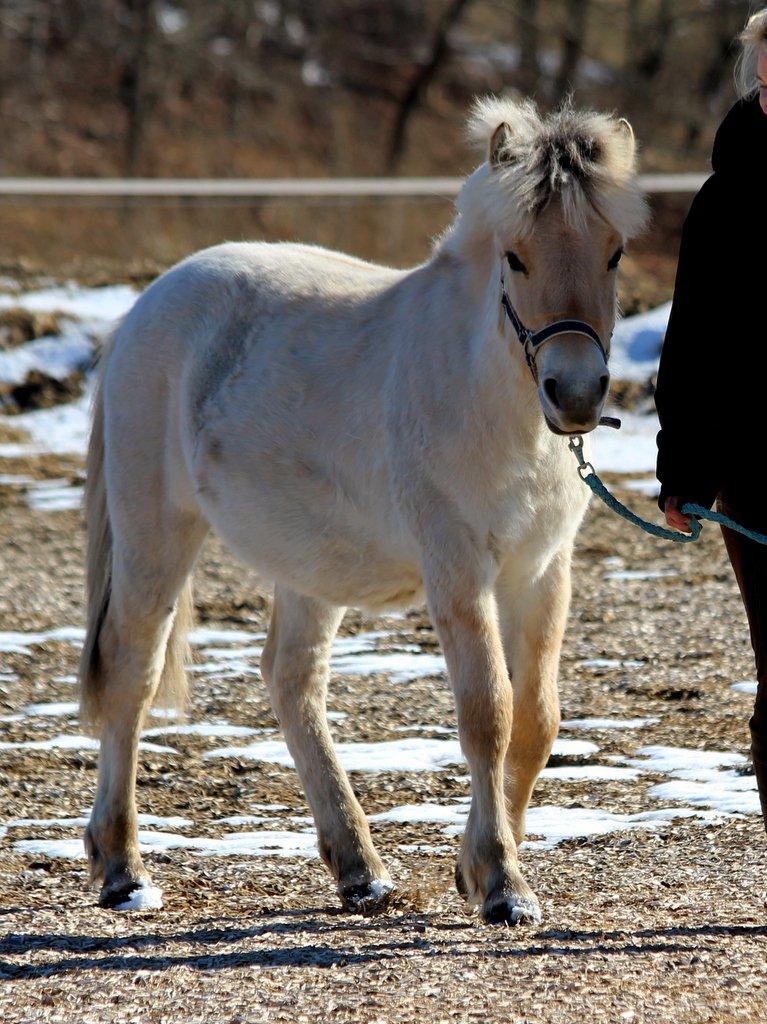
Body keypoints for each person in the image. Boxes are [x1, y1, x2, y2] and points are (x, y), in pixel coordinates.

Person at [655, 8, 767, 827]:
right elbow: (690, 346)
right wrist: (682, 476)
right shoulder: (726, 202)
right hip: (760, 474)